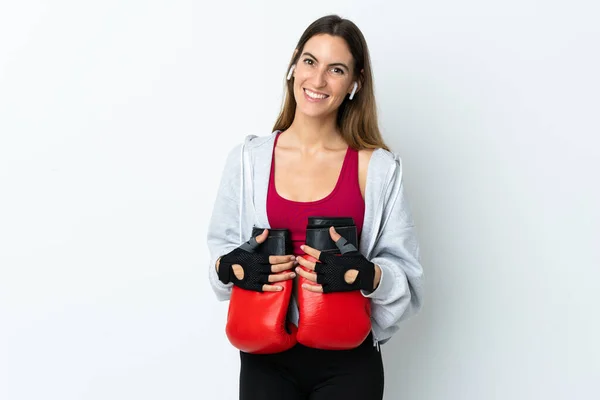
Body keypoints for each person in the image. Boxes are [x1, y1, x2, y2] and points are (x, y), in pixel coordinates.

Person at [207, 14, 423, 400]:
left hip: (349, 364)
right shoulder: (247, 160)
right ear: (293, 65)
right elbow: (220, 265)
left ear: (355, 82)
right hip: (264, 358)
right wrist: (232, 266)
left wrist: (367, 275)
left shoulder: (378, 169)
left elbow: (407, 281)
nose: (318, 80)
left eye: (335, 69)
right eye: (310, 61)